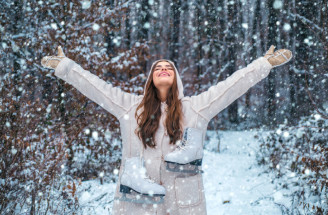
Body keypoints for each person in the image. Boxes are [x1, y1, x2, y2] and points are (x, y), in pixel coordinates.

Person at [41, 45, 292, 214]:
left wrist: (262, 64)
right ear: (150, 79)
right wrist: (65, 67)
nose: (163, 69)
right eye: (158, 68)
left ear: (176, 78)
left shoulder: (195, 109)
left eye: (169, 67)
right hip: (138, 205)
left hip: (184, 203)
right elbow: (95, 86)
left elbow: (230, 88)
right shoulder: (130, 108)